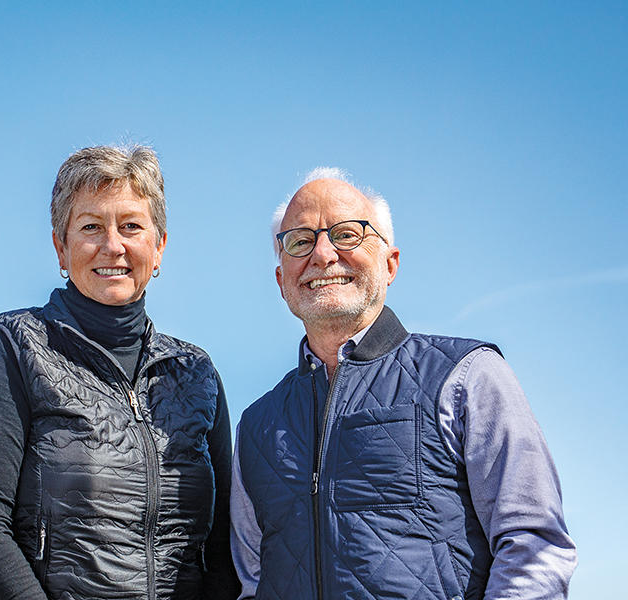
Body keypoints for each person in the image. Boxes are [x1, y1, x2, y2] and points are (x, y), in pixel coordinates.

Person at [229, 168, 577, 599]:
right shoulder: (256, 426)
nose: (322, 254)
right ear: (282, 280)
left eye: (346, 234)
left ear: (390, 264)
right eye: (300, 241)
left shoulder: (468, 376)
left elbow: (533, 547)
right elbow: (252, 581)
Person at [0, 145, 240, 600]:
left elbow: (223, 544)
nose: (113, 245)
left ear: (159, 246)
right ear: (60, 248)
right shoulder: (14, 347)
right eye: (90, 227)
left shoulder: (197, 373)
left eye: (131, 226)